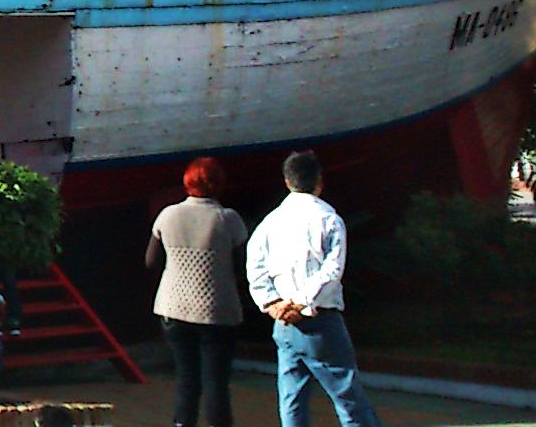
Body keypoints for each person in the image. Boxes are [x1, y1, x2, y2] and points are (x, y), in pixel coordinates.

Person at [246, 150, 384, 427]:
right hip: (320, 319)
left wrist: (273, 304)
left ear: (287, 181)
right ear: (319, 181)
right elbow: (332, 270)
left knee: (291, 400)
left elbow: (255, 266)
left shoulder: (269, 223)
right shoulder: (329, 219)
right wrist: (300, 301)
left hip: (283, 323)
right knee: (348, 399)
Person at [148, 155, 248, 427]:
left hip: (173, 308)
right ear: (219, 184)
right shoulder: (228, 219)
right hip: (217, 311)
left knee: (186, 378)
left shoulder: (168, 215)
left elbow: (151, 261)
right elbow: (241, 267)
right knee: (216, 382)